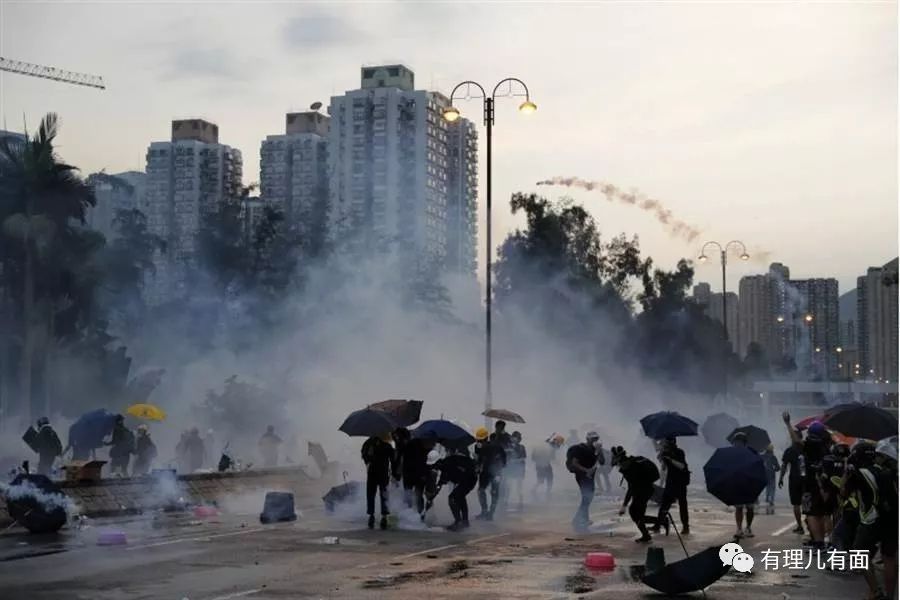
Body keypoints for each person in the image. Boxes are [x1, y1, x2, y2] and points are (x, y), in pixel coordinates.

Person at [841, 441, 896, 600]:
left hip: (870, 520)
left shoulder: (859, 473)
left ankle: (875, 591)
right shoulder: (888, 471)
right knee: (889, 559)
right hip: (892, 519)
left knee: (858, 555)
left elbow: (843, 492)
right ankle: (890, 596)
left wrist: (847, 470)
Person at [783, 412, 831, 549]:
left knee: (811, 514)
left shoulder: (809, 444)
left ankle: (818, 542)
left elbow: (796, 440)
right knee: (821, 514)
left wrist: (787, 424)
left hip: (810, 484)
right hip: (823, 483)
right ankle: (822, 540)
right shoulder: (826, 446)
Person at [612, 445, 660, 542]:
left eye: (618, 463)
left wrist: (624, 505)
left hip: (643, 492)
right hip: (644, 490)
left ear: (621, 461)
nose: (618, 466)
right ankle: (647, 534)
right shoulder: (632, 463)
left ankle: (660, 522)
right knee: (637, 514)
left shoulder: (630, 469)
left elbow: (631, 489)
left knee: (634, 512)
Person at [431, 449, 478, 531]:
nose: (435, 468)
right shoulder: (446, 463)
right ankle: (465, 522)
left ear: (438, 462)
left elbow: (440, 484)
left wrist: (433, 495)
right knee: (460, 497)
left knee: (452, 498)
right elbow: (440, 483)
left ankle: (459, 522)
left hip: (469, 479)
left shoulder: (447, 465)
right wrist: (433, 496)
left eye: (434, 466)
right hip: (468, 479)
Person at [566, 431, 603, 533]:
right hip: (582, 476)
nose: (595, 441)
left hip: (590, 476)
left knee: (588, 498)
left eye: (596, 439)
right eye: (593, 439)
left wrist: (599, 451)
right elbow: (574, 463)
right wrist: (586, 471)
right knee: (587, 497)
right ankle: (578, 519)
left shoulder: (596, 449)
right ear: (587, 439)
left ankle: (583, 519)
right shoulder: (580, 449)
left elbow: (602, 462)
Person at [653, 436, 690, 535]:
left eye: (666, 443)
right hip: (671, 481)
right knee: (665, 504)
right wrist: (663, 460)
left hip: (681, 482)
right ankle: (658, 525)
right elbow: (664, 468)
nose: (664, 445)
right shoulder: (665, 453)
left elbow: (682, 466)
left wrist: (670, 459)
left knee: (682, 505)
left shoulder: (679, 452)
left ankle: (686, 527)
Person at [392, 427, 432, 518]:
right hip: (419, 474)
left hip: (410, 474)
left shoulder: (404, 446)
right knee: (418, 495)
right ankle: (420, 514)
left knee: (409, 494)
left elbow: (398, 459)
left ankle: (410, 513)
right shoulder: (419, 444)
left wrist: (396, 474)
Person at [361, 433, 395, 530]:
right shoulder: (371, 444)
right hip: (378, 473)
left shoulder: (369, 444)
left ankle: (378, 516)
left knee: (377, 494)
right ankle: (376, 516)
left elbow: (364, 456)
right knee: (379, 494)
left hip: (378, 472)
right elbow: (393, 459)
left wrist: (368, 457)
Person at [474, 426, 506, 521]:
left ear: (486, 439)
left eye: (482, 440)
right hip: (485, 472)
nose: (480, 442)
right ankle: (484, 511)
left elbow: (504, 459)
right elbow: (478, 459)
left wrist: (500, 468)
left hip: (496, 472)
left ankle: (491, 513)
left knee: (494, 492)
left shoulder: (496, 446)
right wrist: (478, 467)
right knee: (480, 491)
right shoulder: (477, 447)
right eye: (478, 440)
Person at [731, 431, 759, 538]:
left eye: (739, 442)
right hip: (738, 483)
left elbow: (757, 466)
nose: (737, 444)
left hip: (750, 483)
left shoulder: (752, 452)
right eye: (736, 442)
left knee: (750, 507)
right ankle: (739, 528)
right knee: (739, 507)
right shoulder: (732, 454)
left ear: (744, 443)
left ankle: (748, 527)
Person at [779, 437, 806, 534]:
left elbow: (784, 465)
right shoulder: (806, 449)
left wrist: (781, 478)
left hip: (794, 479)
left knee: (796, 504)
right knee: (807, 503)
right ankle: (811, 525)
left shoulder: (790, 450)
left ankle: (800, 526)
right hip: (806, 479)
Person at [532, 433, 563, 502]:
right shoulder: (550, 447)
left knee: (544, 479)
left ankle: (538, 490)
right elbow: (552, 457)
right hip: (543, 465)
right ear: (556, 441)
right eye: (559, 444)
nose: (559, 446)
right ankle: (545, 492)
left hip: (542, 464)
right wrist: (557, 463)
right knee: (547, 479)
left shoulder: (547, 445)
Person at [507, 431, 527, 511]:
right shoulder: (508, 446)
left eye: (517, 437)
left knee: (519, 487)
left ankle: (520, 503)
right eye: (514, 437)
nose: (515, 439)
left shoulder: (522, 447)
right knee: (508, 486)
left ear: (519, 439)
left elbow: (524, 457)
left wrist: (515, 461)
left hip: (519, 469)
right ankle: (506, 502)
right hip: (510, 469)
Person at [763, 444, 780, 515]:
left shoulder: (762, 456)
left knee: (767, 486)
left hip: (763, 474)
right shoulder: (773, 457)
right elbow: (778, 467)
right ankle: (771, 499)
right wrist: (775, 469)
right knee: (772, 487)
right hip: (771, 474)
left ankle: (767, 497)